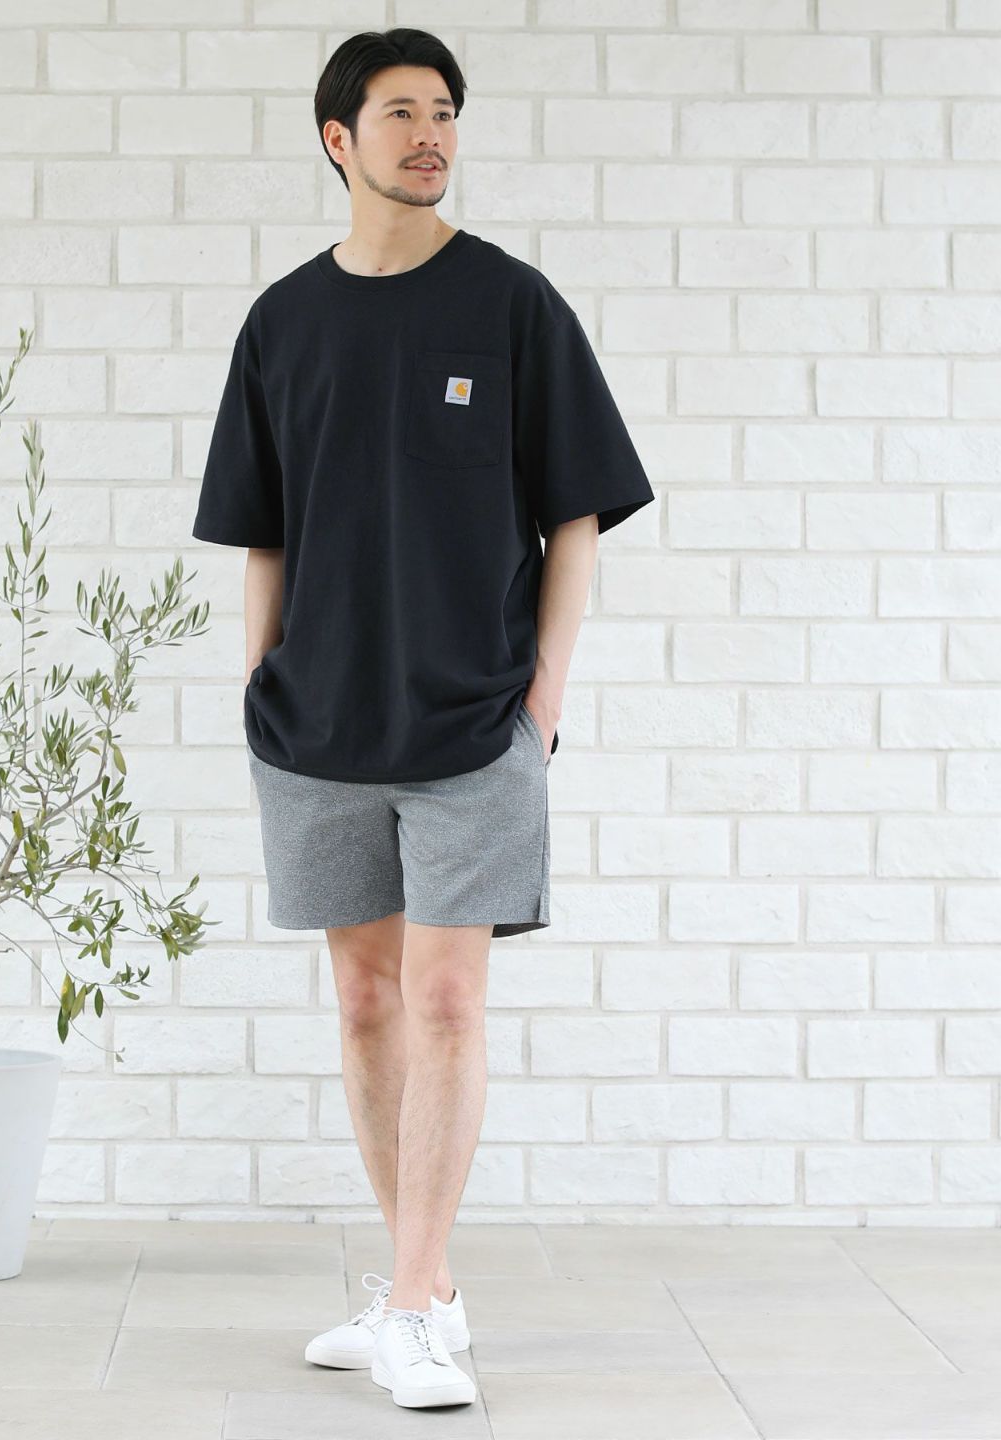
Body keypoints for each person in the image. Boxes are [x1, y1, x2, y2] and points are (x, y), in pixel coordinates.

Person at [191, 27, 654, 1412]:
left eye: (444, 110)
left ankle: (409, 1305)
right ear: (339, 139)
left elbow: (577, 513)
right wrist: (261, 683)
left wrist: (545, 694)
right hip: (316, 726)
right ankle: (424, 1290)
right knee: (365, 1000)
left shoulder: (511, 304)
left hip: (472, 725)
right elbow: (263, 530)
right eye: (400, 112)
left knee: (449, 998)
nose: (430, 133)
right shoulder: (283, 323)